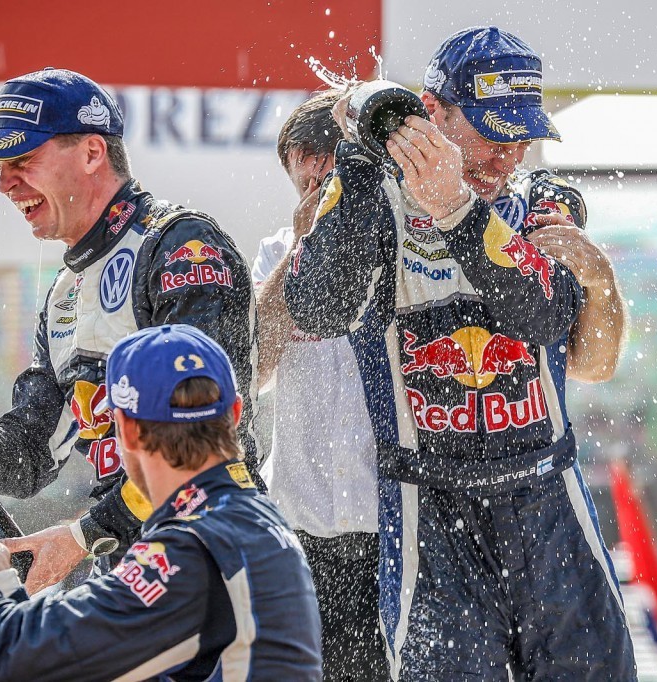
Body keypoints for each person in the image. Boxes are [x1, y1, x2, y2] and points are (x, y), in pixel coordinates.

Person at [284, 26, 634, 680]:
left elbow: (542, 318)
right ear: (432, 113)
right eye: (492, 134)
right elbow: (315, 306)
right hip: (431, 514)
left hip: (546, 499)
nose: (507, 157)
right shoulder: (375, 207)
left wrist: (458, 209)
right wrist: (361, 154)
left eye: (522, 137)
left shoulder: (540, 203)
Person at [0, 68, 260, 592]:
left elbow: (206, 443)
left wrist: (83, 535)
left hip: (217, 561)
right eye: (0, 168)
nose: (4, 184)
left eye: (21, 160)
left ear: (92, 153)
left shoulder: (180, 247)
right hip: (130, 575)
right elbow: (30, 455)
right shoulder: (62, 294)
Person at [0, 325, 322, 681]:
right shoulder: (250, 522)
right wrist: (0, 582)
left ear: (125, 430)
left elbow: (4, 663)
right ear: (235, 414)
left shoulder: (194, 551)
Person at [253, 89, 388, 681]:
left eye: (327, 152)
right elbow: (254, 367)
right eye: (300, 156)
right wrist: (306, 245)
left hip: (389, 517)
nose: (314, 170)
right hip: (299, 519)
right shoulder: (274, 252)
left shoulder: (396, 244)